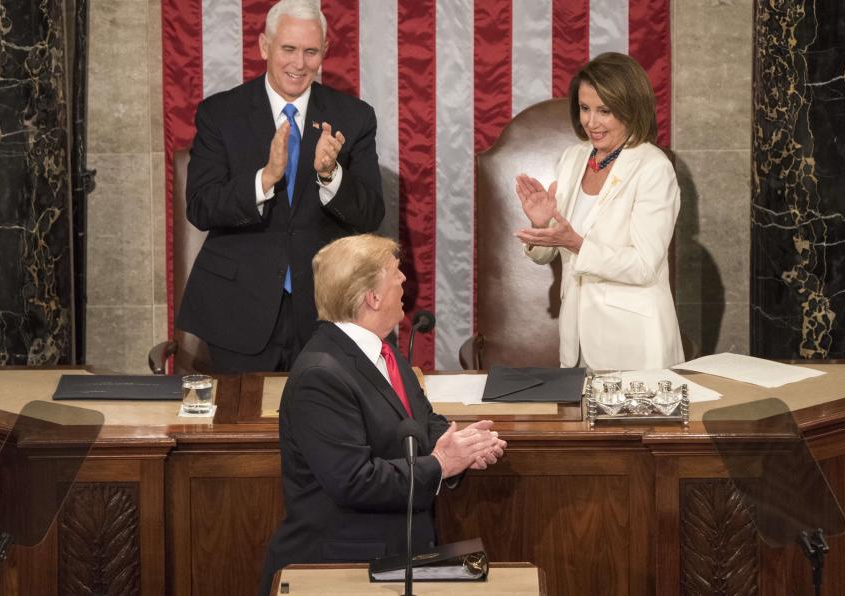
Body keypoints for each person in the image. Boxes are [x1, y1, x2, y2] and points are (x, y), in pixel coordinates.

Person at [258, 234, 506, 593]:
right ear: (371, 297)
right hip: (342, 569)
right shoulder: (320, 375)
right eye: (395, 273)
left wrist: (465, 448)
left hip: (397, 559)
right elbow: (354, 480)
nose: (405, 279)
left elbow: (423, 424)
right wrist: (440, 464)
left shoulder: (384, 356)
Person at [177, 0, 384, 372]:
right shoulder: (220, 113)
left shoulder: (353, 117)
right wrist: (265, 179)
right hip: (238, 308)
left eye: (310, 51)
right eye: (288, 49)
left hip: (326, 309)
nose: (299, 63)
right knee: (239, 426)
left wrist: (330, 175)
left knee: (322, 425)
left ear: (324, 51)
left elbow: (370, 213)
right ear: (264, 47)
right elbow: (201, 206)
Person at [514, 52, 684, 370]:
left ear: (631, 109)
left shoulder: (652, 168)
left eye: (605, 111)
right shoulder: (573, 158)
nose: (591, 122)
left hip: (634, 344)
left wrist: (577, 244)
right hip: (576, 342)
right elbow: (548, 252)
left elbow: (645, 266)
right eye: (585, 108)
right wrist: (540, 227)